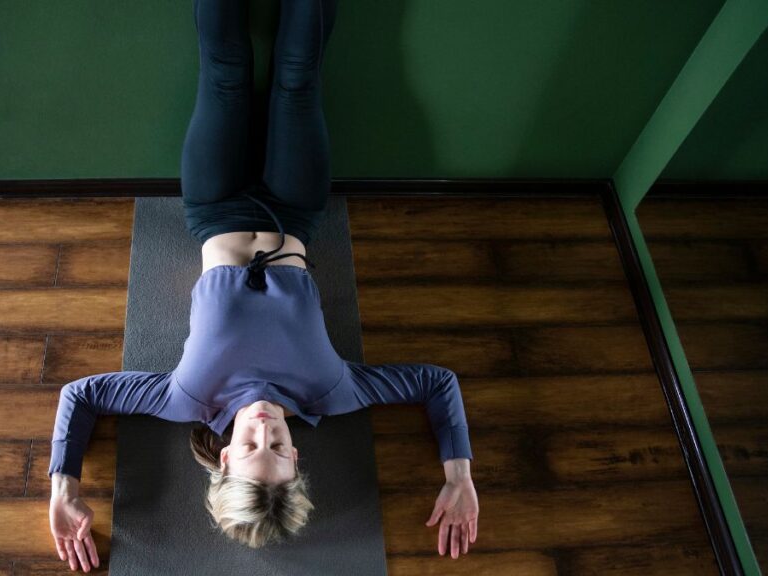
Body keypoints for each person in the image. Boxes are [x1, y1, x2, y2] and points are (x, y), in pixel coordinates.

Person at [48, 0, 480, 571]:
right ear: (295, 455)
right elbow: (436, 382)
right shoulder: (332, 391)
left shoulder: (187, 397)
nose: (264, 430)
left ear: (223, 457)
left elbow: (81, 395)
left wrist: (64, 488)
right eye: (278, 448)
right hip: (294, 211)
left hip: (213, 205)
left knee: (225, 70)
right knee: (297, 78)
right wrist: (459, 475)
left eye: (251, 448)